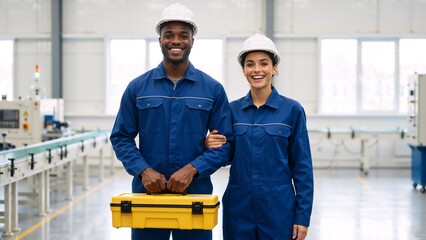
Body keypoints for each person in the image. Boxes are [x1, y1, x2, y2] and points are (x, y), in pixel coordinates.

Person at [109, 3, 233, 240]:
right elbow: (121, 137)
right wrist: (143, 170)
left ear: (192, 41)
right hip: (147, 195)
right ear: (160, 40)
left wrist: (192, 169)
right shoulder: (138, 88)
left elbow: (226, 144)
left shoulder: (212, 89)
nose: (176, 41)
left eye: (183, 35)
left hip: (195, 196)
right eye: (169, 35)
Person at [205, 33, 314, 240]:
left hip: (279, 205)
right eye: (250, 64)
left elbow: (302, 167)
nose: (257, 70)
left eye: (264, 63)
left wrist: (302, 216)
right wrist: (207, 144)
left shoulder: (292, 110)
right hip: (239, 205)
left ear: (274, 68)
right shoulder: (232, 110)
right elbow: (225, 154)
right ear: (244, 70)